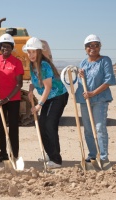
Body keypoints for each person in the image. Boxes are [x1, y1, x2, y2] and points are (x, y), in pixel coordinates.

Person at [24, 37, 69, 169]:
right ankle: (50, 153)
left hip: (58, 96)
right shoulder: (32, 65)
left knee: (49, 125)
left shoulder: (43, 65)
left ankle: (56, 160)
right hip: (49, 97)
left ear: (39, 52)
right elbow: (35, 80)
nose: (31, 55)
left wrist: (39, 105)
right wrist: (31, 88)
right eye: (29, 52)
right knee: (42, 125)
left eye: (33, 52)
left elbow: (48, 87)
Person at [75, 34, 116, 165]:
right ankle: (92, 154)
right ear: (85, 48)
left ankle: (103, 157)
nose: (92, 48)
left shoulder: (105, 60)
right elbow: (82, 82)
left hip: (100, 99)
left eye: (95, 45)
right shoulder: (83, 63)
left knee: (99, 128)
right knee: (88, 129)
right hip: (85, 100)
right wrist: (80, 75)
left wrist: (93, 93)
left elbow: (109, 80)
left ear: (100, 47)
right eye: (89, 46)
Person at [0, 33, 24, 162]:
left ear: (12, 47)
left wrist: (7, 99)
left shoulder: (16, 62)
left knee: (13, 128)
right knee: (0, 128)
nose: (5, 49)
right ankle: (3, 153)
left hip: (12, 100)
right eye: (3, 46)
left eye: (8, 46)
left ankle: (15, 154)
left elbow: (19, 84)